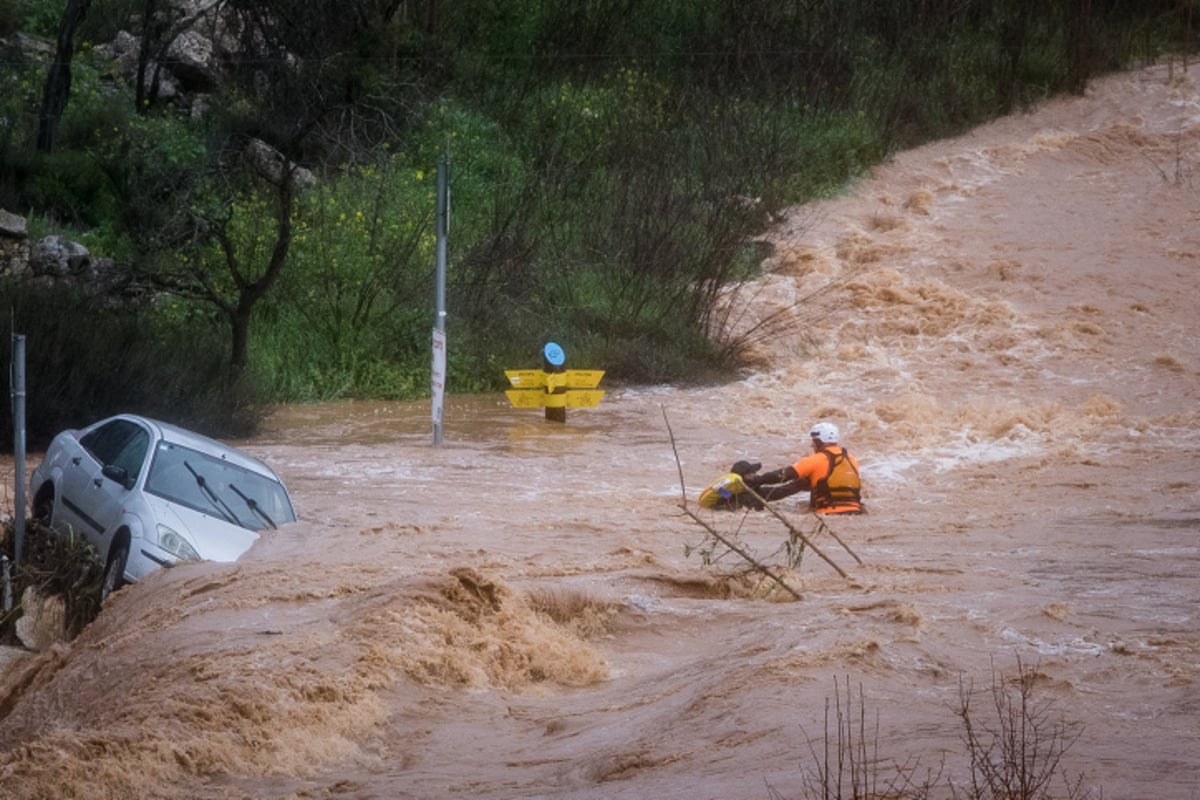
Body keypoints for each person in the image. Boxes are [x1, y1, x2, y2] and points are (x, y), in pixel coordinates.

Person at [743, 421, 864, 514]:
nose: (812, 445)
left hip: (828, 513)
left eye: (814, 441)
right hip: (855, 512)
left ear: (819, 442)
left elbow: (783, 475)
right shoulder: (851, 459)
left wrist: (757, 480)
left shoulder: (816, 460)